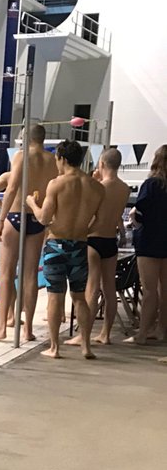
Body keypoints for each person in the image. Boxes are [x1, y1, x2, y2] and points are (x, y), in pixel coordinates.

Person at [27, 139, 104, 359]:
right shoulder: (96, 187)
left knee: (54, 297)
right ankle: (86, 346)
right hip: (80, 245)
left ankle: (54, 348)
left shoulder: (57, 184)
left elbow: (43, 218)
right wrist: (84, 230)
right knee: (79, 297)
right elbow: (100, 221)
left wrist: (31, 202)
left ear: (62, 159)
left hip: (56, 246)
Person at [0, 125, 58, 342]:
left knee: (6, 274)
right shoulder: (53, 161)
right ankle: (27, 329)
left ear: (26, 137)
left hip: (16, 215)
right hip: (38, 219)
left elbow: (11, 188)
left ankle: (2, 327)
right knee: (30, 276)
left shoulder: (21, 155)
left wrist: (1, 220)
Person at [72, 147, 130, 345]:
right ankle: (105, 334)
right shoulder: (125, 189)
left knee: (92, 288)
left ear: (102, 164)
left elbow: (90, 214)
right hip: (110, 242)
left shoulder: (98, 187)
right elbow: (117, 217)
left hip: (94, 240)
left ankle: (84, 335)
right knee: (109, 289)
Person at [125, 144, 167, 346]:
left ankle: (142, 333)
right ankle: (161, 330)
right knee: (164, 289)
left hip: (150, 241)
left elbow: (140, 212)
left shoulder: (151, 185)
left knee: (149, 290)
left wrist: (134, 218)